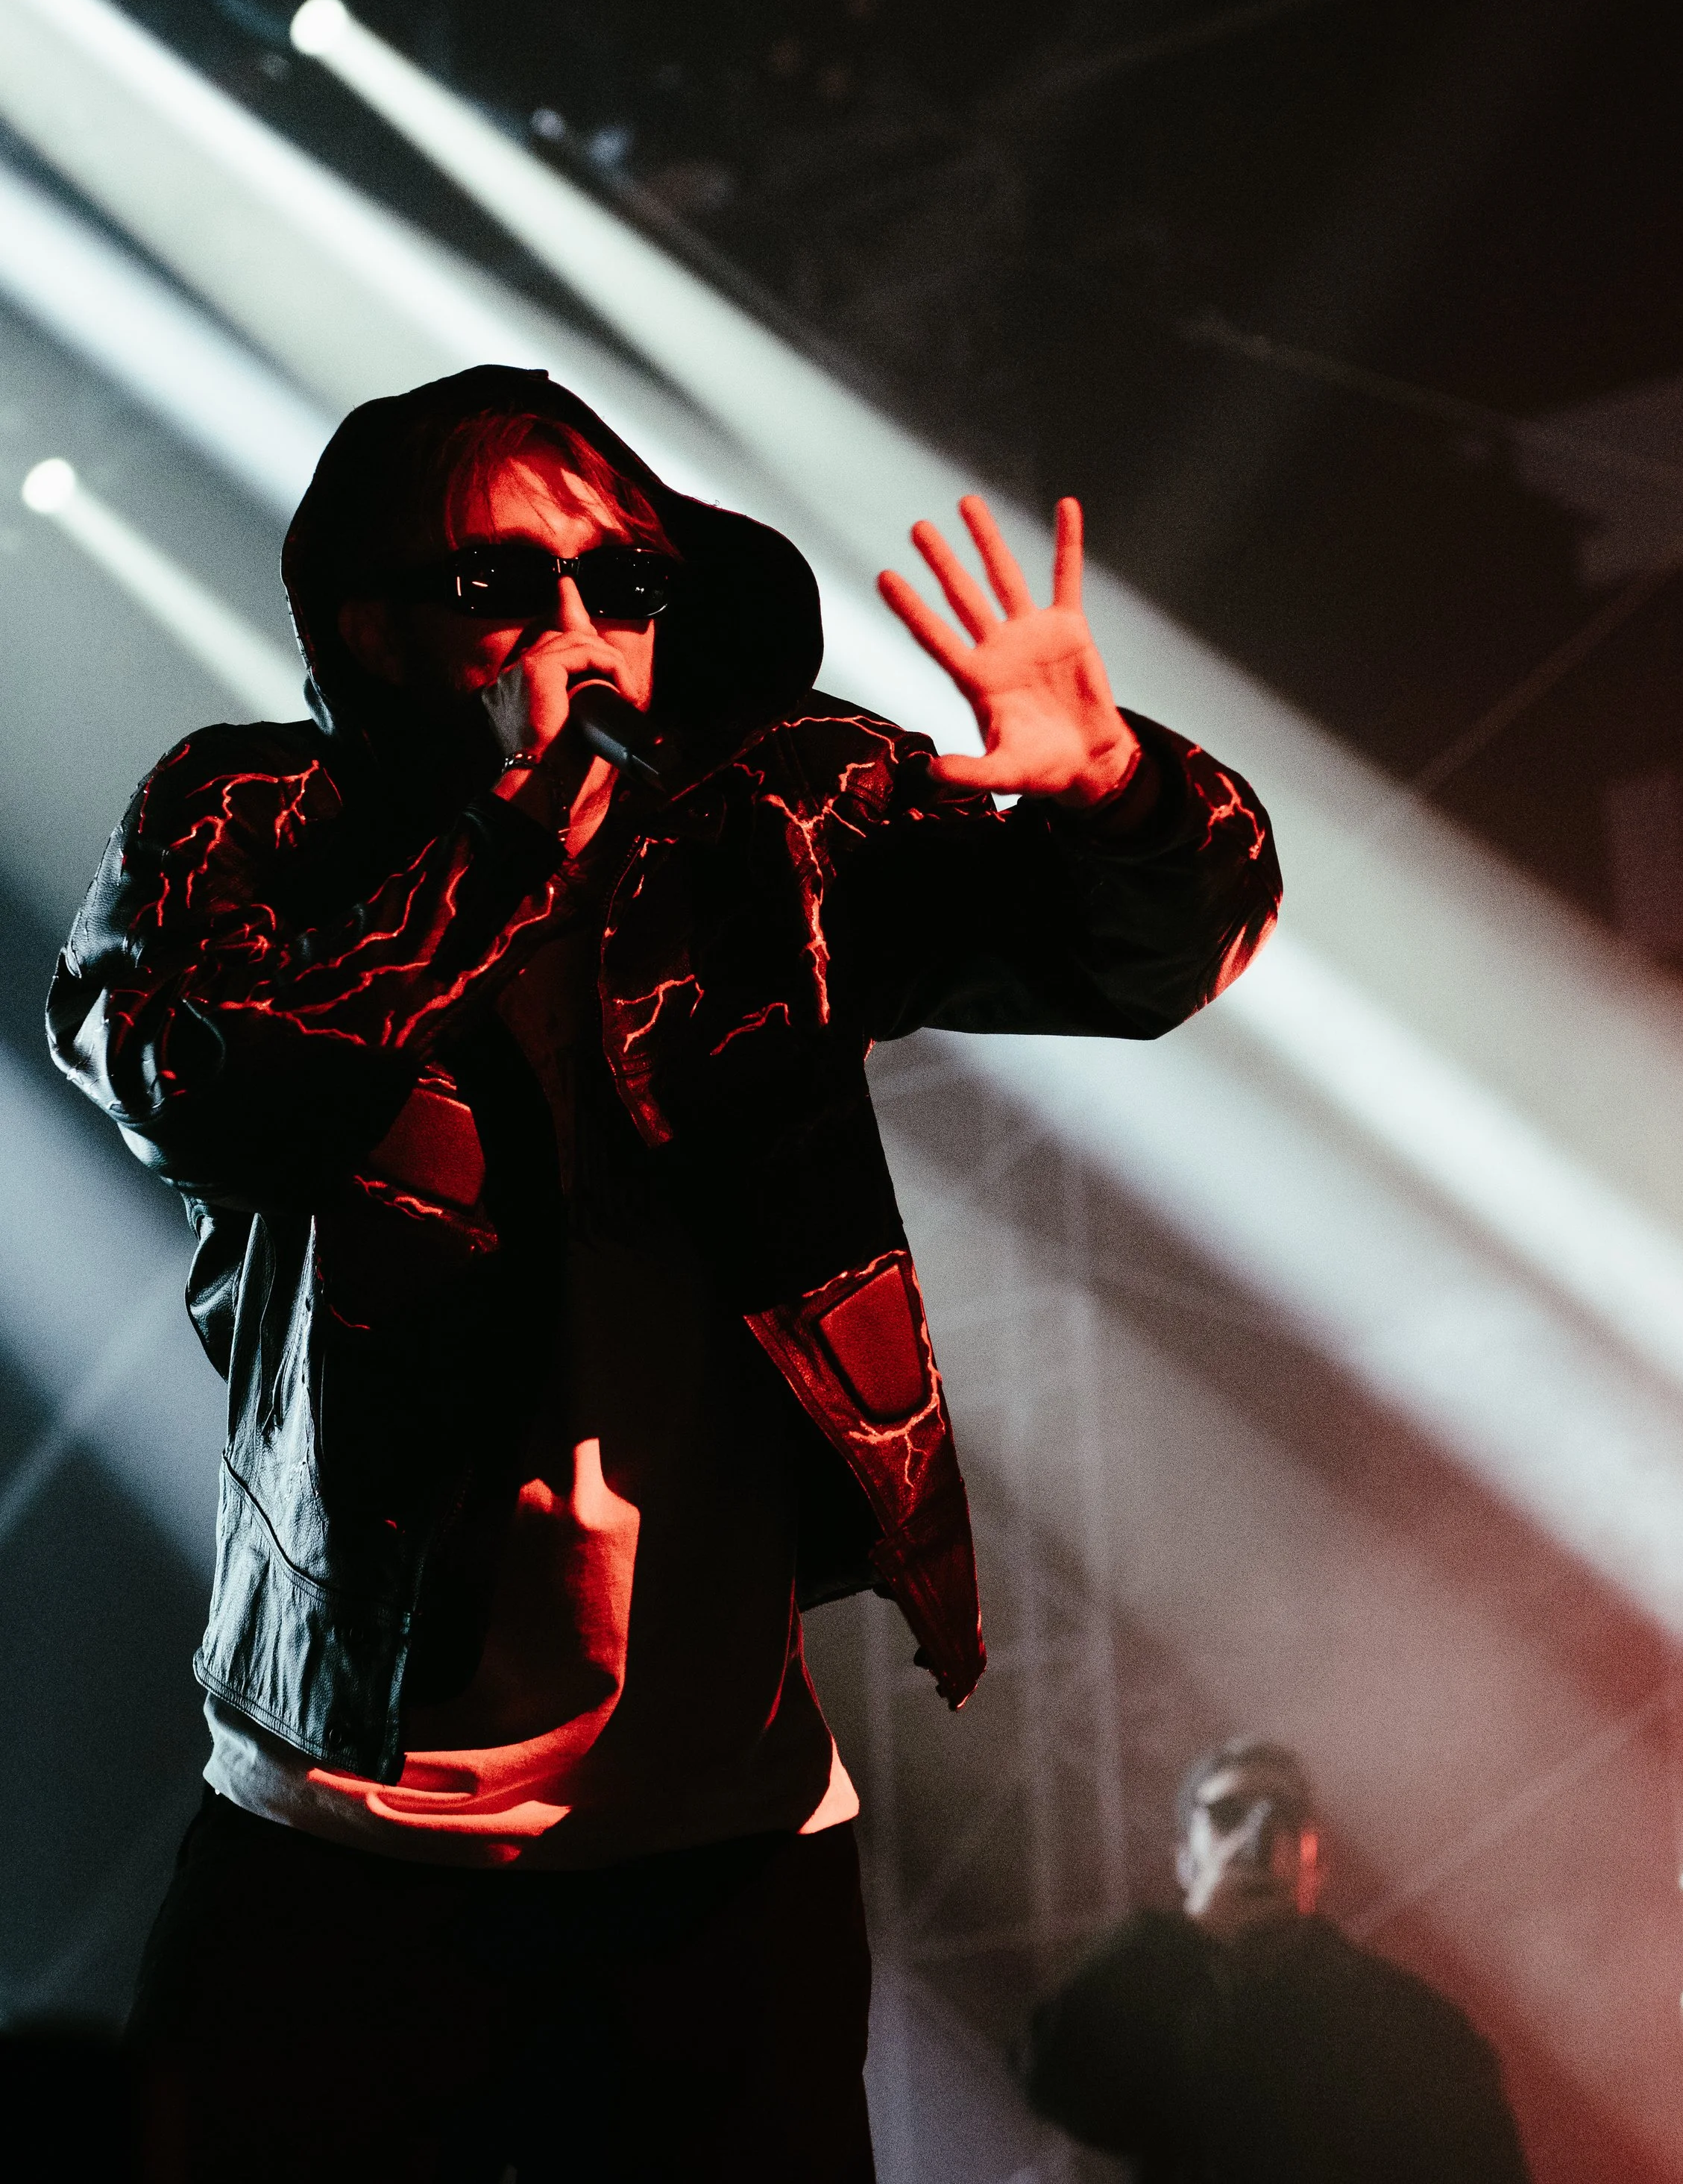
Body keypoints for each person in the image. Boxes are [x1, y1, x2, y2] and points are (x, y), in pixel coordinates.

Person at [48, 366, 1280, 2184]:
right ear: (366, 621)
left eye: (623, 585)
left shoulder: (766, 820)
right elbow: (196, 1076)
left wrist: (1112, 787)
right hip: (343, 1838)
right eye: (505, 589)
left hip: (717, 1844)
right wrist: (501, 851)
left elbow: (1150, 954)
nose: (584, 635)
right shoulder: (255, 819)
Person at [1023, 1739, 1532, 2183]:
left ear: (1318, 1865)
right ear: (1184, 1860)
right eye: (1227, 1815)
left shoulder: (1409, 2026)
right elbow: (1055, 2082)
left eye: (1283, 1816)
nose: (1258, 1836)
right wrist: (1187, 1935)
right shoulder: (1156, 2003)